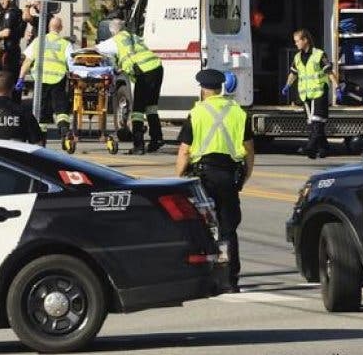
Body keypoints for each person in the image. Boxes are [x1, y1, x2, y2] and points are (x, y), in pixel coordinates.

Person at [175, 69, 254, 293]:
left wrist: (178, 178)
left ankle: (205, 278)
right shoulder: (238, 112)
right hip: (229, 176)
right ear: (221, 88)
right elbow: (249, 150)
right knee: (228, 229)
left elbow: (184, 151)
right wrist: (245, 176)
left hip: (203, 178)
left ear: (203, 89)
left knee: (203, 228)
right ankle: (230, 280)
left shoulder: (197, 113)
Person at [96, 18, 164, 154]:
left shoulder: (116, 40)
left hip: (144, 72)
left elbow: (97, 49)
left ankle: (138, 146)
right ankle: (156, 139)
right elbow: (133, 55)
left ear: (112, 31)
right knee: (151, 107)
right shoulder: (133, 37)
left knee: (138, 110)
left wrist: (78, 52)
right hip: (156, 67)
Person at [280, 28, 342, 159]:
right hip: (306, 95)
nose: (296, 44)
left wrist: (337, 87)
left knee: (317, 122)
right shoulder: (297, 57)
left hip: (319, 93)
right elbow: (293, 74)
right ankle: (323, 148)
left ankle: (310, 147)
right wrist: (287, 85)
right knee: (313, 123)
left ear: (305, 40)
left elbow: (329, 72)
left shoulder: (319, 55)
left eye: (297, 41)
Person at [16, 16, 73, 143]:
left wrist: (21, 78)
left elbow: (27, 61)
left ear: (48, 27)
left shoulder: (39, 41)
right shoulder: (66, 44)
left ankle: (41, 139)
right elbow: (72, 63)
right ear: (61, 28)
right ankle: (64, 131)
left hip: (40, 80)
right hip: (58, 79)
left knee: (41, 110)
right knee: (61, 109)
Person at [0, 0, 24, 102]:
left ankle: (9, 103)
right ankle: (14, 103)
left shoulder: (10, 13)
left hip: (8, 52)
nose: (1, 2)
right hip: (12, 51)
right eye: (0, 0)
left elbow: (6, 32)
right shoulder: (10, 12)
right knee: (12, 78)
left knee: (6, 79)